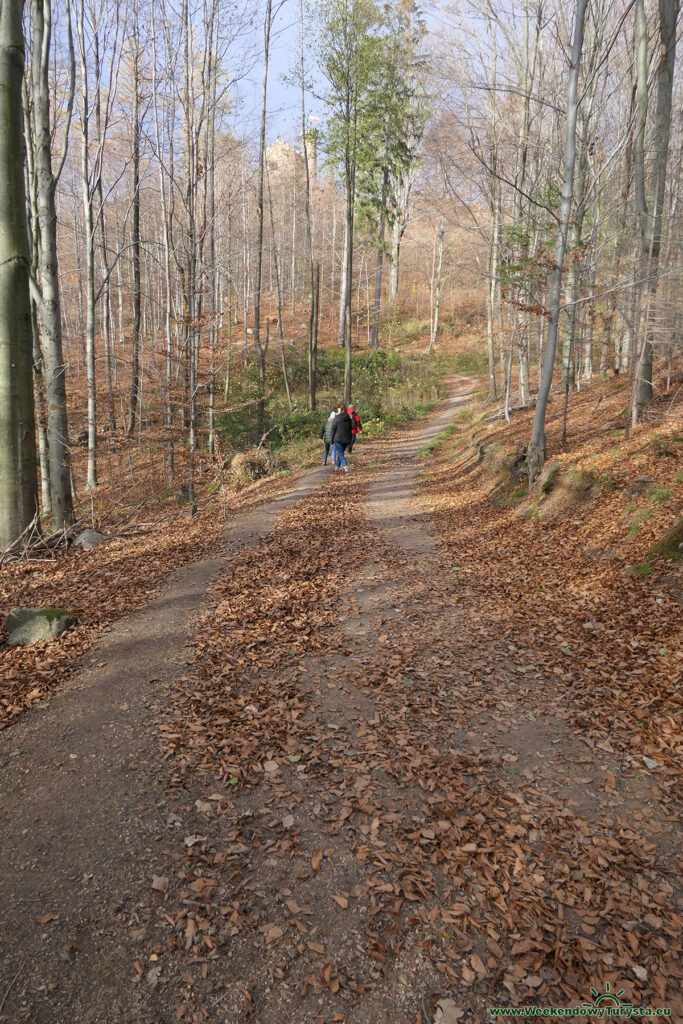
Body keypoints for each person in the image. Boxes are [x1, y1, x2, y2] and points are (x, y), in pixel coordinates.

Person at [330, 402, 352, 473]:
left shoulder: (337, 418)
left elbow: (333, 429)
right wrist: (350, 440)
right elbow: (350, 429)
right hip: (346, 439)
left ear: (339, 409)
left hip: (338, 439)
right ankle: (336, 467)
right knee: (341, 453)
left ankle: (345, 467)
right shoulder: (348, 417)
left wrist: (331, 441)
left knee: (340, 454)